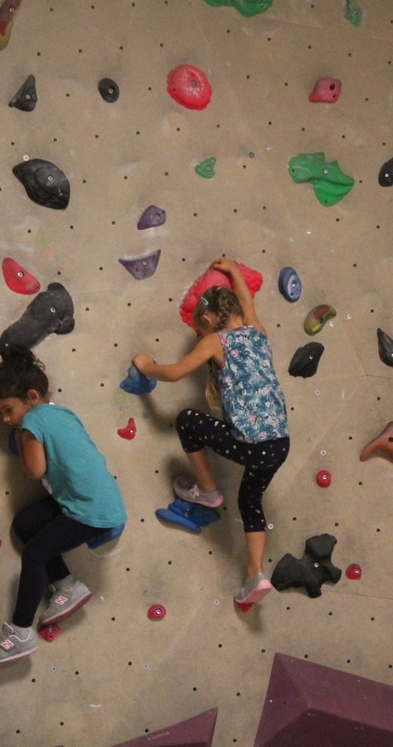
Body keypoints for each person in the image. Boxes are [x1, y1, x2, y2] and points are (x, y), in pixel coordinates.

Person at [133, 258, 290, 607]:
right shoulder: (258, 332)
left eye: (198, 330)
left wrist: (147, 366)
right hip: (280, 443)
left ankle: (207, 491)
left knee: (188, 420)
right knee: (250, 501)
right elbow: (248, 303)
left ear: (206, 322)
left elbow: (174, 373)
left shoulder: (217, 342)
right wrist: (233, 271)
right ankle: (255, 575)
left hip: (253, 445)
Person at [0, 346, 126, 664]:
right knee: (26, 524)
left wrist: (21, 435)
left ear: (31, 396)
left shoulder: (31, 423)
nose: (6, 420)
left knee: (34, 553)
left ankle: (20, 633)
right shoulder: (62, 413)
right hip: (97, 499)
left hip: (88, 508)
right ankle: (67, 585)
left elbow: (35, 470)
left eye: (7, 410)